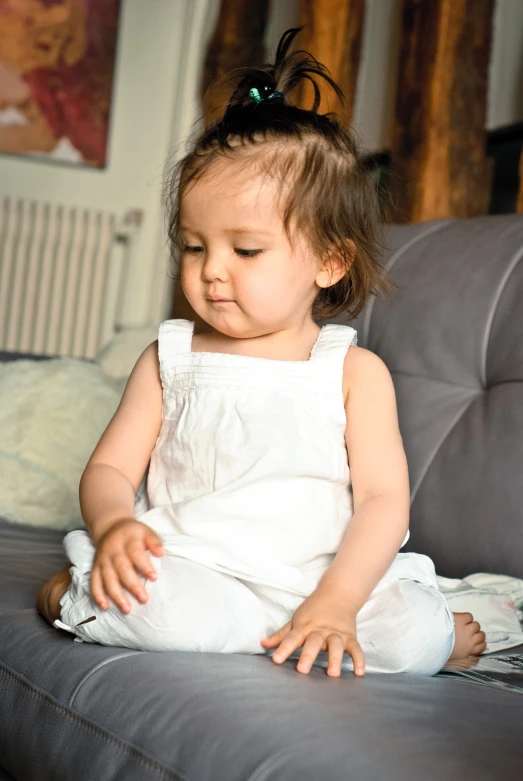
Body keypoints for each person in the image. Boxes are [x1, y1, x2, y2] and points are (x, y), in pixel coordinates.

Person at [36, 27, 486, 677]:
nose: (211, 271)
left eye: (244, 250)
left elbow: (384, 502)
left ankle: (336, 627)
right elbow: (108, 470)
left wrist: (337, 600)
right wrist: (113, 529)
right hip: (202, 572)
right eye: (194, 246)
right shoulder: (171, 357)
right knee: (155, 610)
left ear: (329, 261)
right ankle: (70, 593)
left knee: (414, 639)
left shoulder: (353, 372)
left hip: (322, 581)